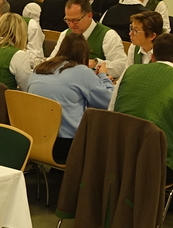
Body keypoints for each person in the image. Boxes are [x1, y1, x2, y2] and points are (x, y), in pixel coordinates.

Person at [110, 33, 173, 189]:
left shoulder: (128, 72)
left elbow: (111, 112)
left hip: (119, 156)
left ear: (152, 57)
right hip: (160, 165)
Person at [27, 32, 112, 162]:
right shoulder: (82, 71)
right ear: (84, 55)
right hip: (65, 146)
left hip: (32, 139)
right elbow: (109, 102)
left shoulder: (40, 68)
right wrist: (103, 76)